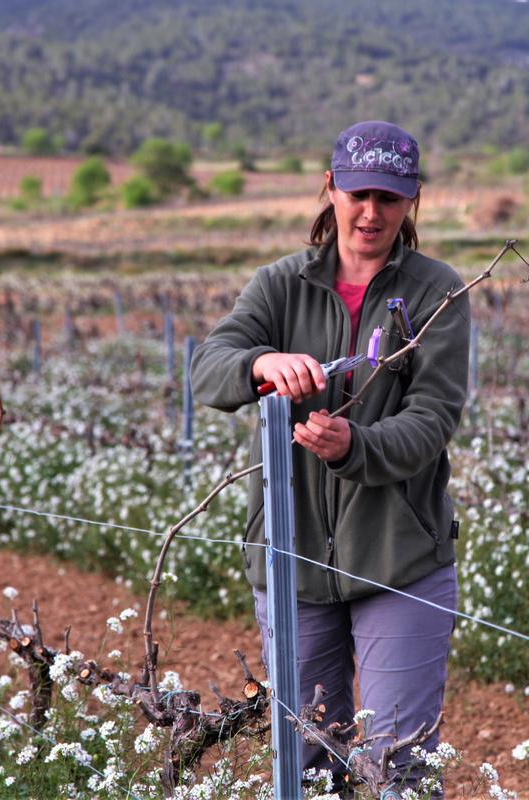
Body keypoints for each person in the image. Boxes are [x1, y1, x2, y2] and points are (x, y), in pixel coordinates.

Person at [191, 120, 469, 797]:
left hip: (401, 559)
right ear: (330, 188)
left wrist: (356, 447)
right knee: (310, 760)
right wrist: (261, 360)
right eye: (358, 193)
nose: (372, 212)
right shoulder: (280, 285)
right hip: (291, 559)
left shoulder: (436, 295)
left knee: (397, 762)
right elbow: (207, 369)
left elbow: (433, 420)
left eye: (390, 198)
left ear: (413, 202)